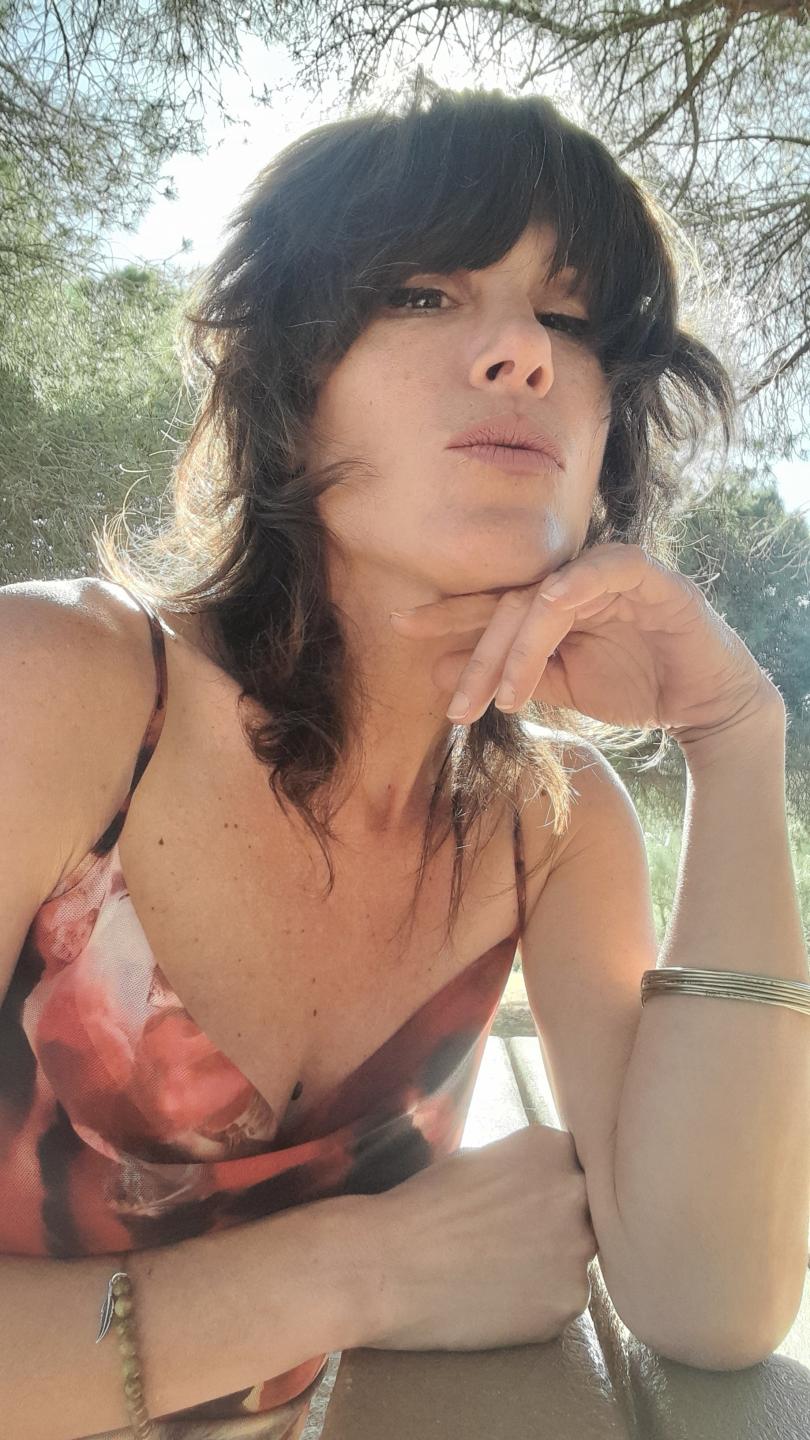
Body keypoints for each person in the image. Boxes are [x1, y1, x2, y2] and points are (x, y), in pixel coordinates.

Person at [2, 80, 807, 1440]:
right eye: (425, 294)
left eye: (567, 317)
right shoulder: (55, 689)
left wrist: (736, 743)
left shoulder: (553, 826)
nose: (523, 352)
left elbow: (709, 1301)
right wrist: (364, 1270)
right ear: (287, 387)